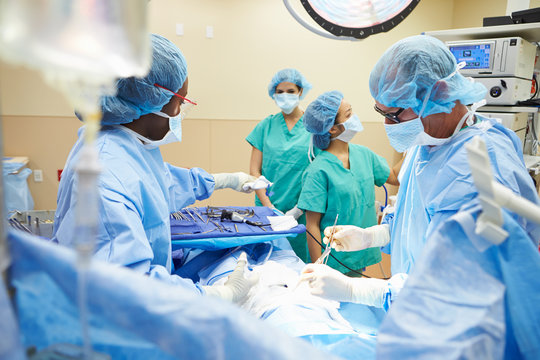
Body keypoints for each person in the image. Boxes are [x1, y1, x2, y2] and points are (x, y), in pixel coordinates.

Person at [304, 35, 540, 325]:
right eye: (382, 113)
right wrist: (370, 236)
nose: (387, 125)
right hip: (421, 313)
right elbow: (416, 222)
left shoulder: (480, 171)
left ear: (439, 93)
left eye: (393, 114)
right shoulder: (427, 144)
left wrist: (356, 289)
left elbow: (463, 286)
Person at [53, 34, 257, 303]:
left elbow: (160, 184)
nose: (181, 110)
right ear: (153, 98)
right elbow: (127, 289)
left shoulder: (121, 145)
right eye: (181, 101)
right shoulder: (105, 180)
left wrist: (226, 180)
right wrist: (221, 294)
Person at [297, 91, 400, 271]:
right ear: (333, 128)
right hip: (332, 259)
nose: (355, 117)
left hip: (360, 253)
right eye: (349, 114)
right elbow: (311, 225)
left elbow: (394, 177)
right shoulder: (318, 171)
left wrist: (416, 146)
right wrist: (318, 269)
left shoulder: (364, 155)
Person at [246, 68, 314, 262]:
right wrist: (270, 208)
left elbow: (318, 172)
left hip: (303, 211)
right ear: (273, 94)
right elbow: (254, 171)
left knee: (300, 266)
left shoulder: (313, 128)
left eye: (291, 91)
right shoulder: (265, 126)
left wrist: (299, 208)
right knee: (269, 263)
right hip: (267, 211)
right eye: (280, 92)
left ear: (300, 91)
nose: (285, 96)